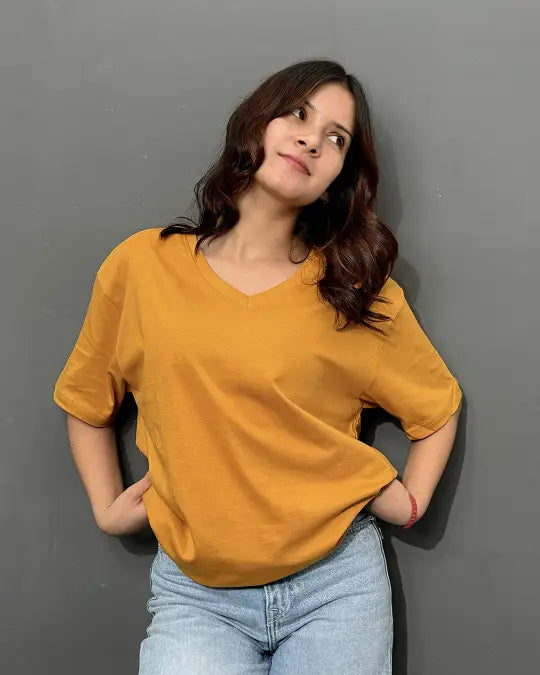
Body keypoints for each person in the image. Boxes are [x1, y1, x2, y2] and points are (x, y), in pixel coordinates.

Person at [53, 59, 462, 674]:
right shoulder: (141, 267)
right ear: (258, 122)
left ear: (339, 177)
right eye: (299, 114)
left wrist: (409, 501)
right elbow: (85, 399)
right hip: (197, 595)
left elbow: (437, 408)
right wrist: (108, 507)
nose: (311, 140)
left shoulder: (354, 291)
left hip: (337, 587)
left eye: (336, 139)